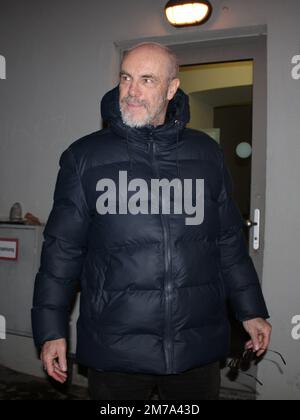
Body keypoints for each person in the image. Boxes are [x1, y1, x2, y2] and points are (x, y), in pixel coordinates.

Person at [32, 42, 271, 400]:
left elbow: (228, 242)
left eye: (147, 80)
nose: (131, 91)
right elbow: (61, 251)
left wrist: (251, 310)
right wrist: (51, 330)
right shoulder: (84, 157)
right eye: (126, 78)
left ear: (171, 89)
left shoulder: (205, 154)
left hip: (195, 347)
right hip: (117, 349)